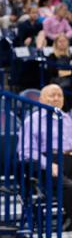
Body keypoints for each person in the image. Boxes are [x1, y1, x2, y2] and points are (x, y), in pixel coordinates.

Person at [17, 84, 72, 230]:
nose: (56, 98)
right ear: (41, 99)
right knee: (68, 186)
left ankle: (69, 216)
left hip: (68, 158)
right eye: (52, 95)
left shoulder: (66, 118)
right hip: (45, 162)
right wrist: (48, 164)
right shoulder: (32, 121)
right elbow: (26, 151)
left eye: (59, 95)